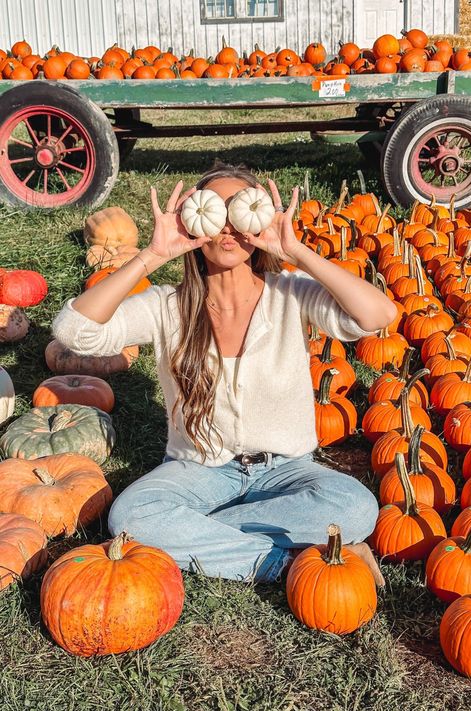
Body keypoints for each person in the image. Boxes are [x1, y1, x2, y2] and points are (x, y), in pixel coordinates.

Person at [52, 163, 397, 586]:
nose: (229, 227)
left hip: (285, 469)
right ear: (197, 221)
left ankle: (198, 529)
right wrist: (153, 255)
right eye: (217, 211)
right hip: (198, 470)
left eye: (242, 211)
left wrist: (297, 251)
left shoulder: (289, 295)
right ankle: (286, 562)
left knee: (357, 506)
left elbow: (378, 315)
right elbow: (75, 332)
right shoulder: (167, 307)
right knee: (132, 515)